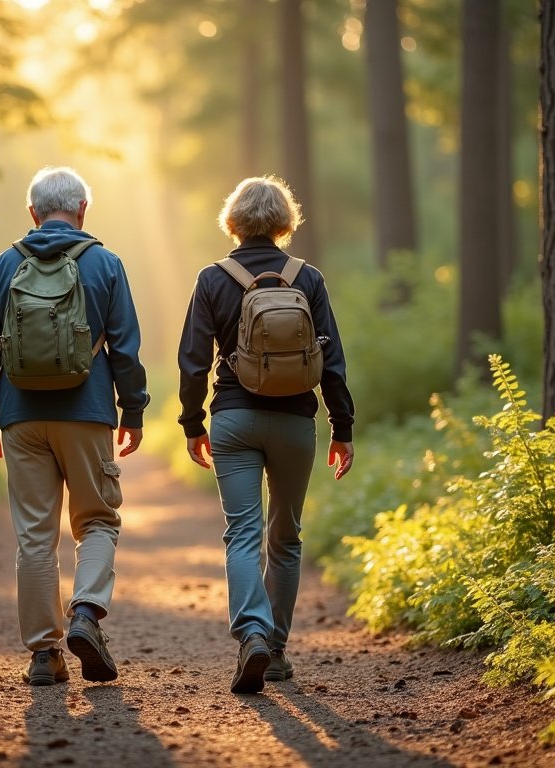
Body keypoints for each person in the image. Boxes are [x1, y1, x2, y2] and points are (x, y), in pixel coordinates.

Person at [0, 166, 150, 686]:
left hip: (21, 418)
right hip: (88, 414)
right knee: (96, 521)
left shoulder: (3, 267)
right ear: (83, 211)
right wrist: (131, 411)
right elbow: (126, 349)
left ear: (33, 214)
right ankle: (86, 613)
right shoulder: (105, 263)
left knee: (35, 537)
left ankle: (44, 655)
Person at [177, 176, 355, 694]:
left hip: (233, 419)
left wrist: (193, 424)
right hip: (297, 422)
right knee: (287, 536)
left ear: (232, 220)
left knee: (242, 532)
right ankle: (275, 651)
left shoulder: (212, 278)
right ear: (283, 221)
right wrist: (342, 427)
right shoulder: (308, 279)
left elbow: (192, 362)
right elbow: (333, 363)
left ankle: (251, 633)